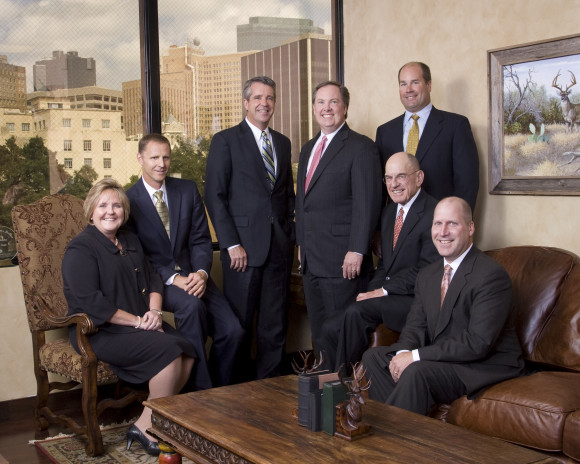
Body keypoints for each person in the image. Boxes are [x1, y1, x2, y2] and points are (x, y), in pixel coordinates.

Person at [62, 179, 196, 456]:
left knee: (189, 350)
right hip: (99, 331)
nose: (110, 211)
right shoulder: (80, 249)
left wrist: (155, 313)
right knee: (170, 351)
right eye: (103, 205)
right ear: (91, 212)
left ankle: (147, 423)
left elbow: (155, 280)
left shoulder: (130, 240)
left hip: (140, 322)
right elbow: (92, 304)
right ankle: (155, 427)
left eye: (116, 205)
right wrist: (139, 322)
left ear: (124, 211)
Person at [361, 197, 524, 415]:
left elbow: (477, 343)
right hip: (444, 359)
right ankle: (403, 429)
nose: (443, 232)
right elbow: (415, 326)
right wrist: (402, 353)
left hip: (480, 365)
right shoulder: (428, 274)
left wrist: (415, 356)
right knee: (374, 358)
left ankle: (391, 439)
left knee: (416, 371)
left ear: (470, 228)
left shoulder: (491, 276)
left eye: (452, 224)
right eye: (437, 223)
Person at [126, 134, 243, 390]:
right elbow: (139, 258)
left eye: (166, 157)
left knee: (233, 331)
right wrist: (174, 278)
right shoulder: (128, 201)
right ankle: (198, 396)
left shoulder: (187, 190)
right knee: (191, 308)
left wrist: (201, 273)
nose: (161, 163)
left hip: (195, 277)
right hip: (159, 282)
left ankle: (217, 391)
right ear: (140, 159)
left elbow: (200, 240)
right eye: (154, 157)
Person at [205, 76, 295, 380]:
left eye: (270, 98)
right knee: (239, 325)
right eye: (258, 98)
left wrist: (290, 237)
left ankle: (268, 390)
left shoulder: (282, 143)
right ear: (246, 103)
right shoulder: (226, 140)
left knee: (275, 325)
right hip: (241, 251)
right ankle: (231, 392)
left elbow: (286, 196)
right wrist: (231, 244)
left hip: (279, 249)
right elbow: (214, 196)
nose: (264, 103)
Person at [322, 152, 440, 372]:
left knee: (356, 313)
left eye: (401, 176)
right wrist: (372, 291)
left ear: (419, 177)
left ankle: (341, 387)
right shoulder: (388, 214)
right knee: (330, 327)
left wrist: (383, 291)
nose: (393, 184)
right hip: (390, 295)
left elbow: (427, 270)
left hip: (416, 300)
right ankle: (335, 381)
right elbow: (386, 265)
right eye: (388, 178)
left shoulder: (434, 213)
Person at [295, 80, 382, 369]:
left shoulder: (361, 147)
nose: (326, 108)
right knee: (319, 332)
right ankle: (323, 389)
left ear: (345, 107)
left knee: (340, 332)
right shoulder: (308, 149)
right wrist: (300, 243)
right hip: (311, 258)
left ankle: (344, 394)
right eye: (321, 102)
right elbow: (303, 204)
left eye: (333, 102)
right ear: (314, 108)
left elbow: (367, 204)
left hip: (343, 259)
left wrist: (357, 249)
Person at [375, 62, 479, 211]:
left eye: (415, 82)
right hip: (397, 225)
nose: (408, 89)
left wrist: (457, 222)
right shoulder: (385, 132)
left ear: (429, 85)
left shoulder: (455, 126)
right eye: (403, 84)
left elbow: (467, 184)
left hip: (439, 224)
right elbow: (381, 188)